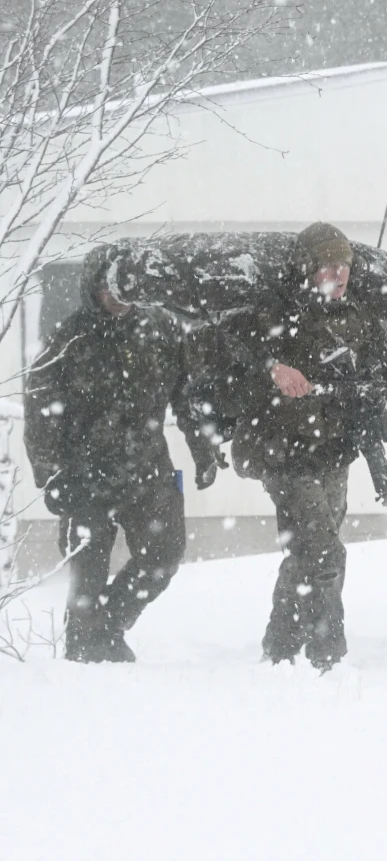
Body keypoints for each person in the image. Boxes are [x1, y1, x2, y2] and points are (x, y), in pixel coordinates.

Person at [221, 222, 387, 671]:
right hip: (281, 450)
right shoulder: (277, 308)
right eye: (328, 266)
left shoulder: (356, 312)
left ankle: (278, 651)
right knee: (325, 552)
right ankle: (327, 658)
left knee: (309, 553)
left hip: (334, 449)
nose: (339, 274)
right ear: (308, 268)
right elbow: (232, 345)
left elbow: (380, 364)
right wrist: (275, 367)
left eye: (345, 266)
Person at [24, 249, 223, 662]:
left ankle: (107, 626)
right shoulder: (68, 339)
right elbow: (41, 412)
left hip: (148, 471)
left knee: (164, 556)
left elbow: (187, 397)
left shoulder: (162, 329)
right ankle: (84, 659)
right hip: (85, 478)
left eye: (126, 285)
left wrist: (203, 450)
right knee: (87, 578)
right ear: (92, 287)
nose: (118, 294)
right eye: (109, 285)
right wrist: (51, 476)